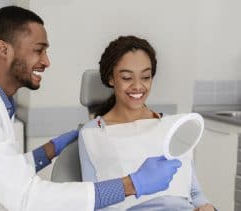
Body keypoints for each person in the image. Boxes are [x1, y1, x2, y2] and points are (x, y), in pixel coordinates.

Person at [0, 6, 182, 211]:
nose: (47, 61)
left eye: (146, 76)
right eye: (38, 50)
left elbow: (0, 171)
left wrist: (48, 151)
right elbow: (27, 196)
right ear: (4, 50)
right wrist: (131, 184)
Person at [79, 35, 216, 210]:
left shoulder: (173, 126)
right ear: (111, 78)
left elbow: (195, 193)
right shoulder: (93, 133)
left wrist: (206, 206)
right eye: (127, 78)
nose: (138, 86)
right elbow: (93, 201)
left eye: (145, 77)